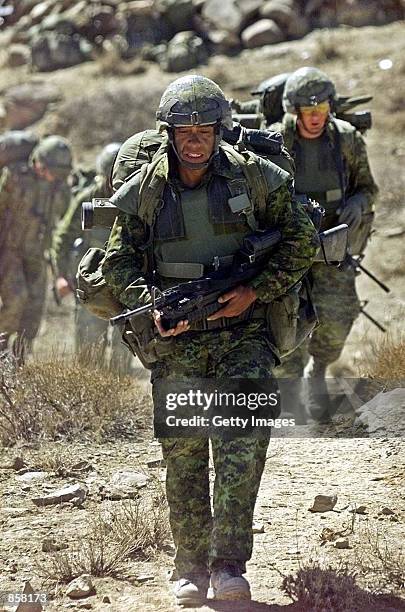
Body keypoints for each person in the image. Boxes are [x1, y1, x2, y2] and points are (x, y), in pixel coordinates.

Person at [102, 75, 318, 604]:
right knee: (184, 454)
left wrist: (254, 290)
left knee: (242, 449)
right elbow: (118, 260)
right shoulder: (146, 189)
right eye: (183, 130)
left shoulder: (257, 177)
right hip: (178, 340)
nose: (194, 139)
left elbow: (303, 239)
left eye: (204, 128)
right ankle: (189, 569)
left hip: (245, 332)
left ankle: (229, 566)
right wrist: (152, 304)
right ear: (168, 133)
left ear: (220, 128)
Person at [269, 67, 379, 421]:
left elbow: (368, 188)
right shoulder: (273, 143)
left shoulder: (346, 139)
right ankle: (290, 399)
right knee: (285, 323)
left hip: (334, 252)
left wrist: (357, 206)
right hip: (287, 253)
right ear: (294, 111)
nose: (316, 118)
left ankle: (318, 374)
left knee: (336, 320)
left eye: (322, 110)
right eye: (308, 111)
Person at [52, 143, 132, 373]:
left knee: (123, 346)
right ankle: (89, 393)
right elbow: (63, 237)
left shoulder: (136, 199)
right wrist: (61, 276)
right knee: (89, 346)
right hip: (92, 284)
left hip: (125, 283)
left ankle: (117, 393)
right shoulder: (89, 198)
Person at [0, 134, 73, 353]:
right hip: (10, 251)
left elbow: (64, 216)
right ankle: (1, 348)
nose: (52, 177)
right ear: (38, 162)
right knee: (16, 300)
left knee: (34, 309)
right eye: (50, 171)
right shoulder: (14, 176)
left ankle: (20, 359)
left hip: (37, 253)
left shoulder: (59, 187)